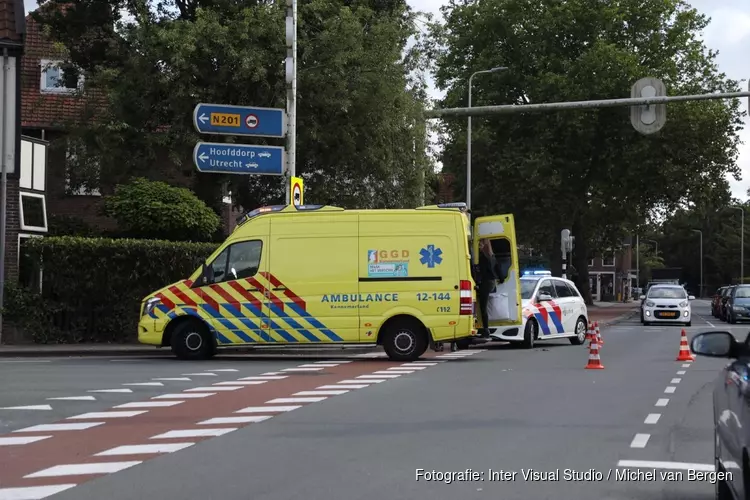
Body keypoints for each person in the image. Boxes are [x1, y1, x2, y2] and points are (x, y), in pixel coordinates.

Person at [477, 238, 498, 338]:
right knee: (484, 305)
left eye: (480, 244)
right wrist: (501, 278)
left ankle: (486, 329)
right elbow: (498, 268)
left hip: (485, 282)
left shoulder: (483, 257)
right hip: (492, 282)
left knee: (483, 307)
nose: (479, 246)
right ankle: (485, 327)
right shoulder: (492, 256)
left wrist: (477, 281)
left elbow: (483, 271)